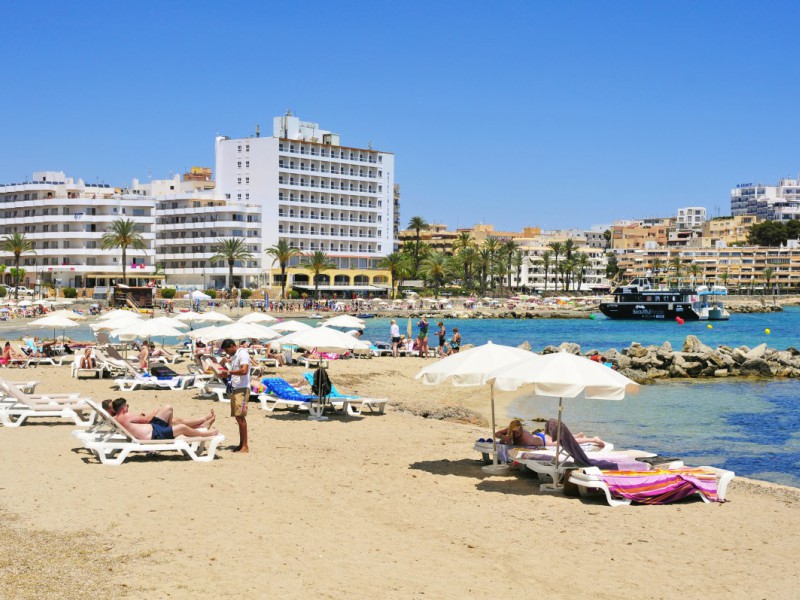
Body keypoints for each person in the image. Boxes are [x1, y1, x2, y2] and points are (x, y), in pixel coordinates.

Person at [111, 398, 218, 441]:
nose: (128, 408)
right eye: (127, 406)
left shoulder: (117, 418)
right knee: (182, 427)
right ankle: (206, 434)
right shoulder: (126, 415)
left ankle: (200, 424)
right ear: (124, 408)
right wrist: (155, 410)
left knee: (168, 408)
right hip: (155, 434)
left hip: (154, 428)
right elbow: (147, 419)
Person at [218, 338, 250, 453]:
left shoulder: (243, 354)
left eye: (227, 350)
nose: (227, 353)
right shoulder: (235, 356)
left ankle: (245, 446)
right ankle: (241, 444)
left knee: (240, 417)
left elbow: (244, 371)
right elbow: (237, 373)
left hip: (242, 388)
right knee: (238, 416)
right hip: (236, 387)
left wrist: (229, 372)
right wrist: (224, 375)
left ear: (232, 346)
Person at [103, 398, 215, 429]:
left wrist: (141, 416)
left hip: (147, 425)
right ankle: (202, 421)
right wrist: (153, 412)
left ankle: (201, 423)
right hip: (150, 427)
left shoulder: (116, 417)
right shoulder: (117, 417)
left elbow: (135, 421)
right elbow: (145, 421)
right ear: (108, 410)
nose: (114, 407)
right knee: (177, 421)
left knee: (177, 420)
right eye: (112, 406)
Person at [496, 419, 606, 448]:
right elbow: (496, 434)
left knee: (564, 442)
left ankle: (593, 439)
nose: (517, 433)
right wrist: (502, 436)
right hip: (539, 436)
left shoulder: (523, 434)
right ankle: (578, 435)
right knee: (560, 439)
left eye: (518, 431)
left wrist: (507, 439)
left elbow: (517, 444)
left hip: (543, 441)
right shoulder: (510, 430)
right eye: (515, 432)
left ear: (521, 428)